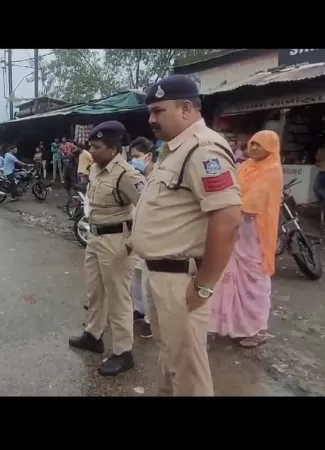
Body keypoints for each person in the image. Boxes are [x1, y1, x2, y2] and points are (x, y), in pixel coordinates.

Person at [131, 75, 242, 396]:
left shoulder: (203, 150)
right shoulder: (175, 150)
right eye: (150, 111)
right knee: (172, 362)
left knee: (189, 374)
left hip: (181, 280)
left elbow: (228, 217)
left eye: (158, 110)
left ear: (186, 108)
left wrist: (204, 285)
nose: (151, 118)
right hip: (160, 275)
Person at [68, 120, 145, 376]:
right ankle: (93, 335)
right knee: (95, 291)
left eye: (97, 146)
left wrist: (132, 244)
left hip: (117, 242)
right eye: (91, 145)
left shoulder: (127, 175)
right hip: (95, 238)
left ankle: (124, 352)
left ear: (113, 148)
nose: (92, 150)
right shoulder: (97, 169)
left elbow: (147, 211)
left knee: (118, 298)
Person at [209, 130, 283, 348]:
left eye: (258, 145)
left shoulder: (273, 170)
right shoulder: (245, 166)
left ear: (270, 146)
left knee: (254, 279)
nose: (253, 148)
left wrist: (229, 206)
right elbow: (231, 187)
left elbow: (254, 201)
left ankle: (257, 328)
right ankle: (232, 325)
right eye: (251, 144)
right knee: (230, 276)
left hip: (255, 232)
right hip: (236, 226)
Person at [128, 136, 156, 339]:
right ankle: (139, 310)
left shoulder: (158, 177)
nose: (133, 161)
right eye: (131, 158)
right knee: (135, 276)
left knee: (149, 280)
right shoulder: (137, 178)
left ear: (148, 156)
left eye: (136, 157)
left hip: (154, 235)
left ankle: (151, 321)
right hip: (137, 232)